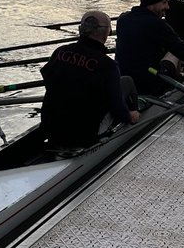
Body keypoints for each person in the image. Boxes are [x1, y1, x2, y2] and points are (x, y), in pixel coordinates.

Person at [39, 10, 138, 149]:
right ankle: (136, 117)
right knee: (127, 82)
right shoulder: (108, 65)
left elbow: (48, 79)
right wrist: (129, 116)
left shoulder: (60, 52)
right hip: (84, 136)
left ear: (81, 29)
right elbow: (117, 107)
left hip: (50, 128)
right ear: (105, 34)